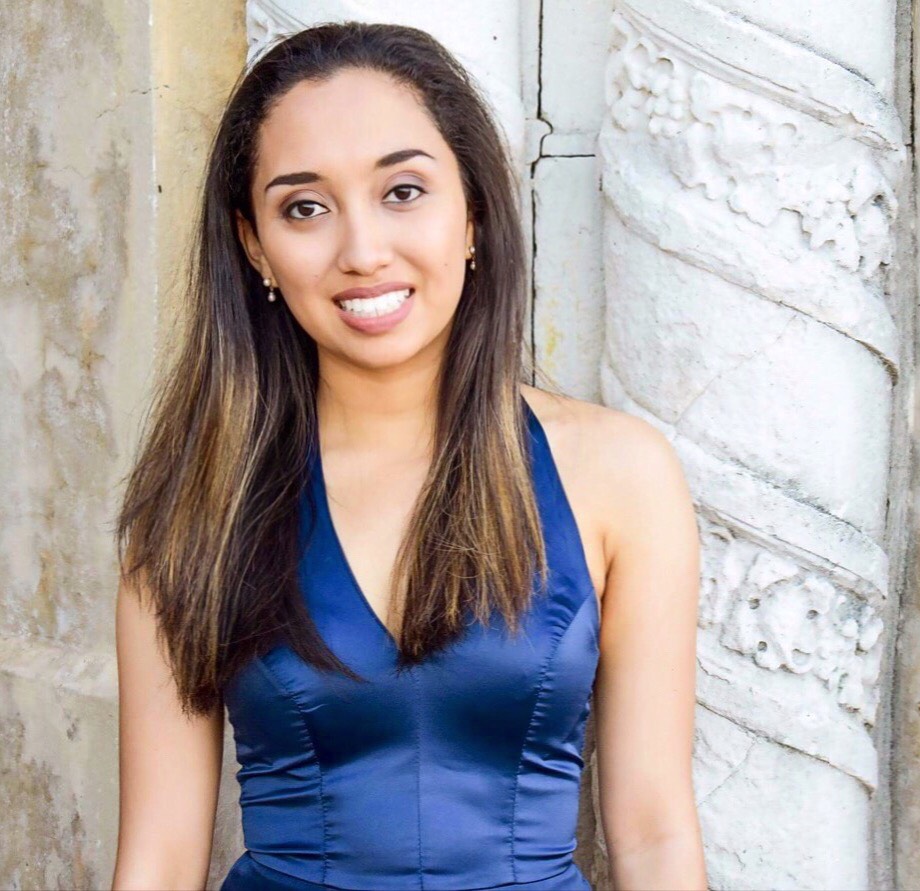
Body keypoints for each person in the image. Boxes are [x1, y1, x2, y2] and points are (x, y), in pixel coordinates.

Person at [111, 21, 706, 891]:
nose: (361, 251)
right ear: (254, 247)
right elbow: (159, 858)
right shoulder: (196, 503)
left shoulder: (619, 474)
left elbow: (654, 833)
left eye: (402, 191)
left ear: (472, 214)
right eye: (304, 207)